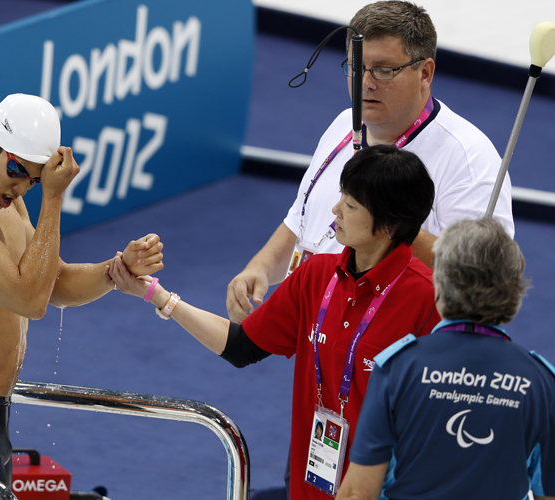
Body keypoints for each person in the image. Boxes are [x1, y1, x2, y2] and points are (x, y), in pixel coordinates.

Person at [109, 145, 442, 499]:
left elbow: (436, 420)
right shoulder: (316, 275)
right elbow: (242, 346)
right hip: (309, 482)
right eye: (342, 196)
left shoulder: (428, 299)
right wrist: (157, 296)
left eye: (351, 205)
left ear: (389, 224)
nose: (335, 210)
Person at [0, 93, 164, 499]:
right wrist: (54, 198)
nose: (21, 189)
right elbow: (29, 300)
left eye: (35, 181)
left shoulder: (4, 202)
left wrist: (114, 271)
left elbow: (52, 283)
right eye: (17, 172)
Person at [226, 0, 514, 325]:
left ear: (425, 72)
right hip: (325, 336)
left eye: (384, 70)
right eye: (356, 66)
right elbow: (303, 218)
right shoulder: (343, 124)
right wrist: (261, 267)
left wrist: (388, 222)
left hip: (403, 350)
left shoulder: (469, 159)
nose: (366, 82)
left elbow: (483, 275)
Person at [336, 217, 555, 500]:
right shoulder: (542, 382)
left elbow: (357, 493)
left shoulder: (397, 368)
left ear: (440, 281)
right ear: (514, 290)